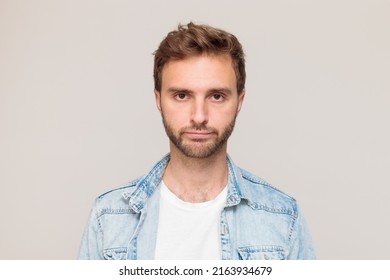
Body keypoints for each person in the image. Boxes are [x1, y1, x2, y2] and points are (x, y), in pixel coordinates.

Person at [78, 22, 315, 260]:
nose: (199, 116)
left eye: (216, 96)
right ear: (158, 100)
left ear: (239, 102)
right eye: (182, 96)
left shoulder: (283, 218)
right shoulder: (108, 217)